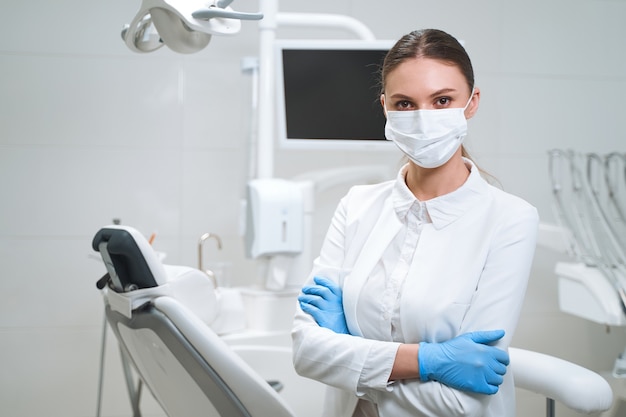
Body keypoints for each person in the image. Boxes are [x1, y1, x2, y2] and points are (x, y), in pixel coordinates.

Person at [291, 28, 539, 417]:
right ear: (385, 107)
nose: (424, 120)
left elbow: (464, 403)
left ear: (472, 102)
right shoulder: (357, 205)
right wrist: (428, 362)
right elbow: (306, 353)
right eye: (405, 104)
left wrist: (347, 348)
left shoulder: (510, 220)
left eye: (442, 100)